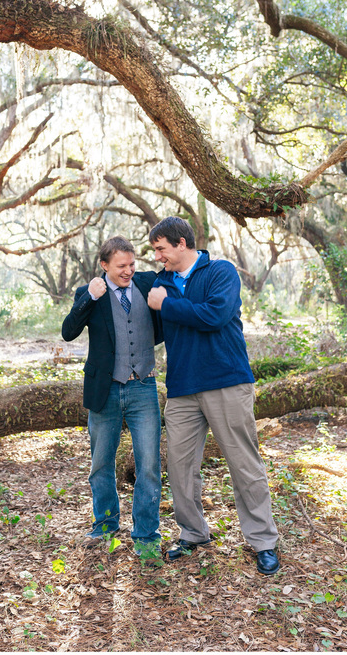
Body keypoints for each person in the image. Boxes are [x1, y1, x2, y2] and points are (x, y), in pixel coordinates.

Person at [145, 216, 280, 575]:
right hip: (182, 389)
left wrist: (165, 305)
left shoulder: (221, 271)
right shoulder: (162, 283)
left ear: (181, 243)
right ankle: (193, 533)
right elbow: (154, 330)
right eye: (155, 250)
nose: (158, 256)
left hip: (226, 382)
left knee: (243, 464)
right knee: (180, 467)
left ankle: (263, 541)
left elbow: (215, 315)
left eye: (161, 249)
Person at [62, 235, 164, 560]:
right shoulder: (90, 293)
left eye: (132, 264)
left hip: (143, 388)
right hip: (104, 390)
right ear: (104, 266)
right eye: (121, 266)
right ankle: (105, 524)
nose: (129, 271)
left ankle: (146, 534)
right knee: (100, 464)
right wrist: (89, 299)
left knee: (148, 465)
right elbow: (67, 331)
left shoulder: (148, 283)